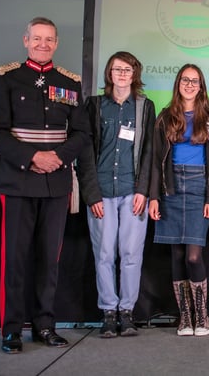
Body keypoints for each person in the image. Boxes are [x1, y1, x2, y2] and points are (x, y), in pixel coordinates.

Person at [0, 16, 91, 354]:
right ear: (26, 40)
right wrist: (33, 157)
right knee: (14, 260)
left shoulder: (69, 83)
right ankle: (11, 331)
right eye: (37, 38)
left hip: (55, 183)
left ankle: (44, 326)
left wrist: (57, 157)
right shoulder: (6, 79)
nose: (43, 44)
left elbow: (81, 133)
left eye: (49, 39)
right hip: (17, 180)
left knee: (50, 260)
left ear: (56, 43)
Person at [76, 51, 156, 338]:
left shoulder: (144, 107)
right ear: (109, 74)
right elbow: (84, 152)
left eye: (127, 70)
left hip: (132, 192)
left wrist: (143, 190)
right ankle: (108, 311)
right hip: (102, 193)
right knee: (105, 253)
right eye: (116, 69)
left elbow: (149, 152)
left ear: (134, 75)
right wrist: (91, 194)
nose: (122, 74)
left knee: (131, 254)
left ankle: (127, 312)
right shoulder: (95, 106)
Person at [148, 64, 209, 337]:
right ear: (178, 83)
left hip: (198, 187)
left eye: (195, 81)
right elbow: (156, 162)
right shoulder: (165, 116)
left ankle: (202, 316)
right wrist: (154, 197)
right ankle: (185, 318)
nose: (189, 85)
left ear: (201, 86)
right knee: (177, 255)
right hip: (170, 187)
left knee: (193, 255)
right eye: (185, 80)